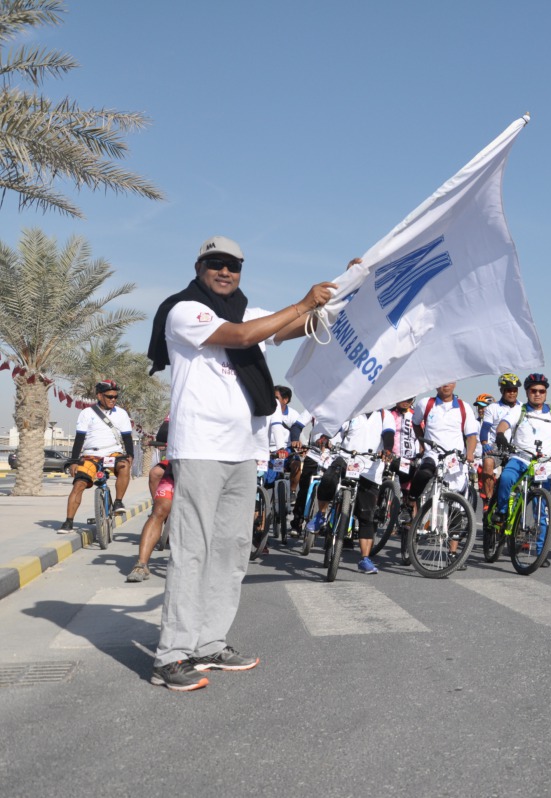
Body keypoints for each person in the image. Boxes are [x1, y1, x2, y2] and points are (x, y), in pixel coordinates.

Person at [144, 234, 337, 692]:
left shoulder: (251, 312)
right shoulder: (185, 310)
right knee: (193, 549)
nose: (225, 271)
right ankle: (171, 656)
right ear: (199, 267)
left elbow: (298, 325)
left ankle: (209, 642)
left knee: (232, 550)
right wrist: (301, 302)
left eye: (233, 265)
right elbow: (244, 336)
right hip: (200, 447)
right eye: (216, 263)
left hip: (245, 450)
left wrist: (346, 288)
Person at [493, 373, 551, 565]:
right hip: (520, 458)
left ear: (546, 393)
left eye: (541, 391)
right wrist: (501, 435)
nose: (537, 394)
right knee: (506, 478)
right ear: (527, 392)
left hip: (542, 467)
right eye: (533, 391)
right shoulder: (519, 409)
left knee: (542, 512)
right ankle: (504, 512)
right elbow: (504, 424)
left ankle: (540, 553)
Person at [306, 410, 396, 574]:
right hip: (346, 460)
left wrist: (387, 450)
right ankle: (321, 514)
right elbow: (336, 428)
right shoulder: (352, 410)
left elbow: (388, 435)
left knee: (366, 516)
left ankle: (365, 559)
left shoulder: (385, 416)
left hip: (371, 468)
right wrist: (325, 438)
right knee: (328, 480)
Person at [60, 380, 135, 532]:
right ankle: (68, 522)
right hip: (91, 455)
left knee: (124, 466)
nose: (113, 399)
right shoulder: (87, 413)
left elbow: (127, 437)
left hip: (112, 453)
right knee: (79, 484)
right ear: (99, 396)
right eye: (109, 396)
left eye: (115, 397)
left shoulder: (121, 414)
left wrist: (130, 455)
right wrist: (74, 461)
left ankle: (118, 502)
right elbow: (79, 438)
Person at [126, 416, 172, 582]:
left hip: (205, 470)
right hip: (176, 465)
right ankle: (141, 564)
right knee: (158, 510)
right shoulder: (181, 404)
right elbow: (163, 434)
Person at [479, 374, 522, 512]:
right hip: (495, 446)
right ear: (502, 391)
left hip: (515, 447)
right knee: (487, 463)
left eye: (515, 390)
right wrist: (485, 443)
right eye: (509, 390)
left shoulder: (523, 407)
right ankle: (489, 499)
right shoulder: (493, 408)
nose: (512, 393)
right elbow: (485, 428)